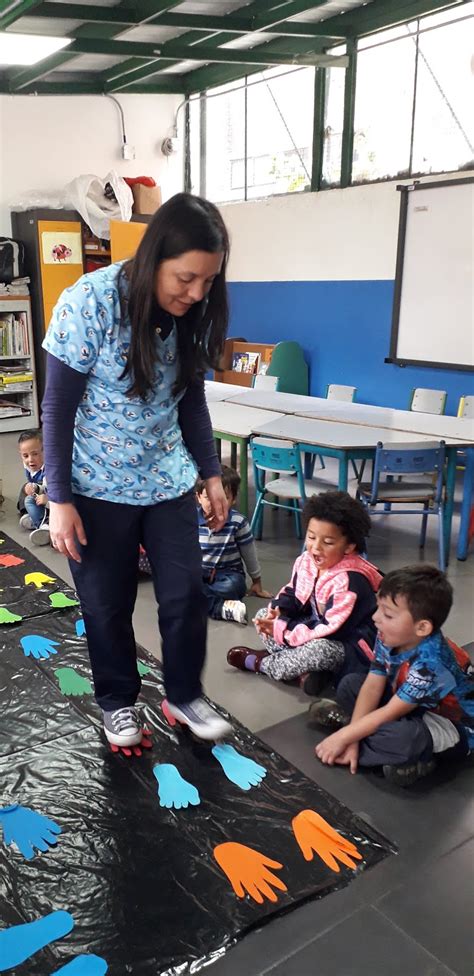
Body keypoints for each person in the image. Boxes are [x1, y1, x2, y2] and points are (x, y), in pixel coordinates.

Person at [41, 192, 234, 749]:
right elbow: (57, 407)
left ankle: (182, 694)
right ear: (155, 258)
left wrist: (212, 474)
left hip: (167, 482)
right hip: (95, 486)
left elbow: (190, 401)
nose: (196, 292)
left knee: (184, 595)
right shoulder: (90, 303)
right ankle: (118, 703)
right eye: (185, 278)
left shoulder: (194, 312)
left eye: (208, 281)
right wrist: (59, 498)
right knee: (107, 604)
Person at [314, 565, 474, 786]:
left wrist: (345, 736)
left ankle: (418, 757)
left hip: (450, 725)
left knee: (406, 740)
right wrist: (351, 738)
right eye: (378, 607)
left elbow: (391, 711)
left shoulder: (432, 661)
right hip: (410, 704)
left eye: (387, 614)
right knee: (350, 684)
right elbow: (373, 684)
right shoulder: (389, 634)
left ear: (422, 627)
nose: (375, 618)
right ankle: (364, 740)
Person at [227, 491, 382, 690]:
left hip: (346, 646)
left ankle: (263, 663)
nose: (315, 547)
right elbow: (294, 592)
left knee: (318, 651)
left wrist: (282, 630)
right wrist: (279, 611)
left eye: (328, 542)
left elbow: (331, 631)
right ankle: (305, 674)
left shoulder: (350, 582)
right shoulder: (307, 561)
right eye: (311, 537)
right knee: (263, 614)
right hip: (312, 630)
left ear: (349, 546)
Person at [196, 464, 271, 625]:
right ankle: (222, 608)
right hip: (199, 572)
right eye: (208, 497)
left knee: (233, 587)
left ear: (233, 499)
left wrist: (256, 581)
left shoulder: (238, 522)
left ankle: (200, 600)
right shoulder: (190, 520)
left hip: (227, 574)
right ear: (198, 497)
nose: (215, 503)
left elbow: (249, 553)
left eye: (223, 498)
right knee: (182, 585)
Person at [17, 429, 50, 546]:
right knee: (25, 488)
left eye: (35, 454)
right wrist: (33, 487)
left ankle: (45, 525)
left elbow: (58, 489)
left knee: (30, 500)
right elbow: (34, 483)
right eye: (25, 456)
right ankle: (29, 514)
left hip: (54, 498)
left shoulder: (50, 469)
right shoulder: (28, 464)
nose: (30, 460)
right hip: (41, 489)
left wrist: (47, 498)